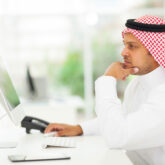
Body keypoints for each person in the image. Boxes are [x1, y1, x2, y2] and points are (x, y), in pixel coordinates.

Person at [45, 15, 165, 165]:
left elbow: (117, 136)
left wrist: (107, 79)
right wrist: (80, 128)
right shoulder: (135, 86)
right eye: (125, 45)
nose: (123, 53)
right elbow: (121, 120)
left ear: (155, 52)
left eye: (132, 46)